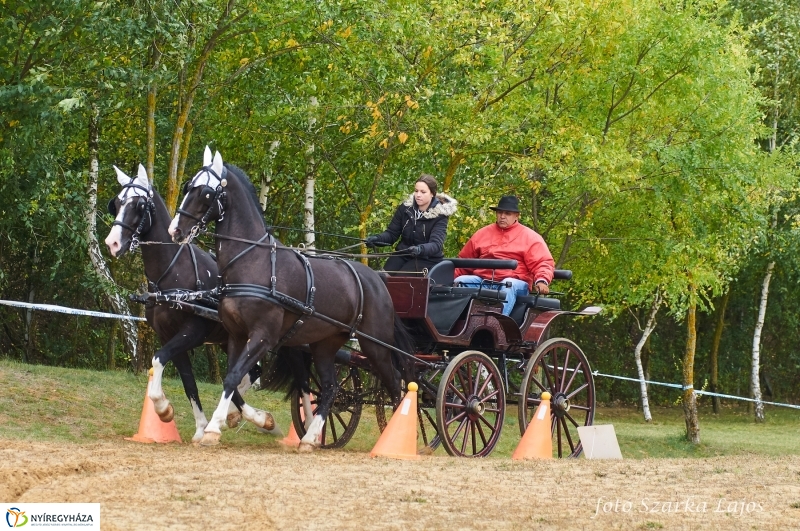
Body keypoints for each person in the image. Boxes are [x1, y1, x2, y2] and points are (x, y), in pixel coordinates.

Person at [453, 195, 554, 316]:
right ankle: (460, 323)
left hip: (515, 283)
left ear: (516, 216)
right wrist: (446, 278)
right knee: (460, 281)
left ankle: (495, 325)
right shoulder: (482, 234)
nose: (502, 216)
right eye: (500, 212)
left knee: (508, 285)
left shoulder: (530, 237)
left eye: (507, 213)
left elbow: (543, 262)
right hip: (483, 280)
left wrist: (542, 280)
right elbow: (464, 261)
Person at [365, 174, 457, 274]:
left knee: (400, 282)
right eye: (416, 191)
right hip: (403, 254)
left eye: (423, 192)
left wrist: (420, 249)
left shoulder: (441, 215)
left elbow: (436, 245)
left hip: (427, 259)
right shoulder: (405, 208)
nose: (418, 195)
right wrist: (377, 239)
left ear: (432, 194)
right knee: (381, 278)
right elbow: (391, 234)